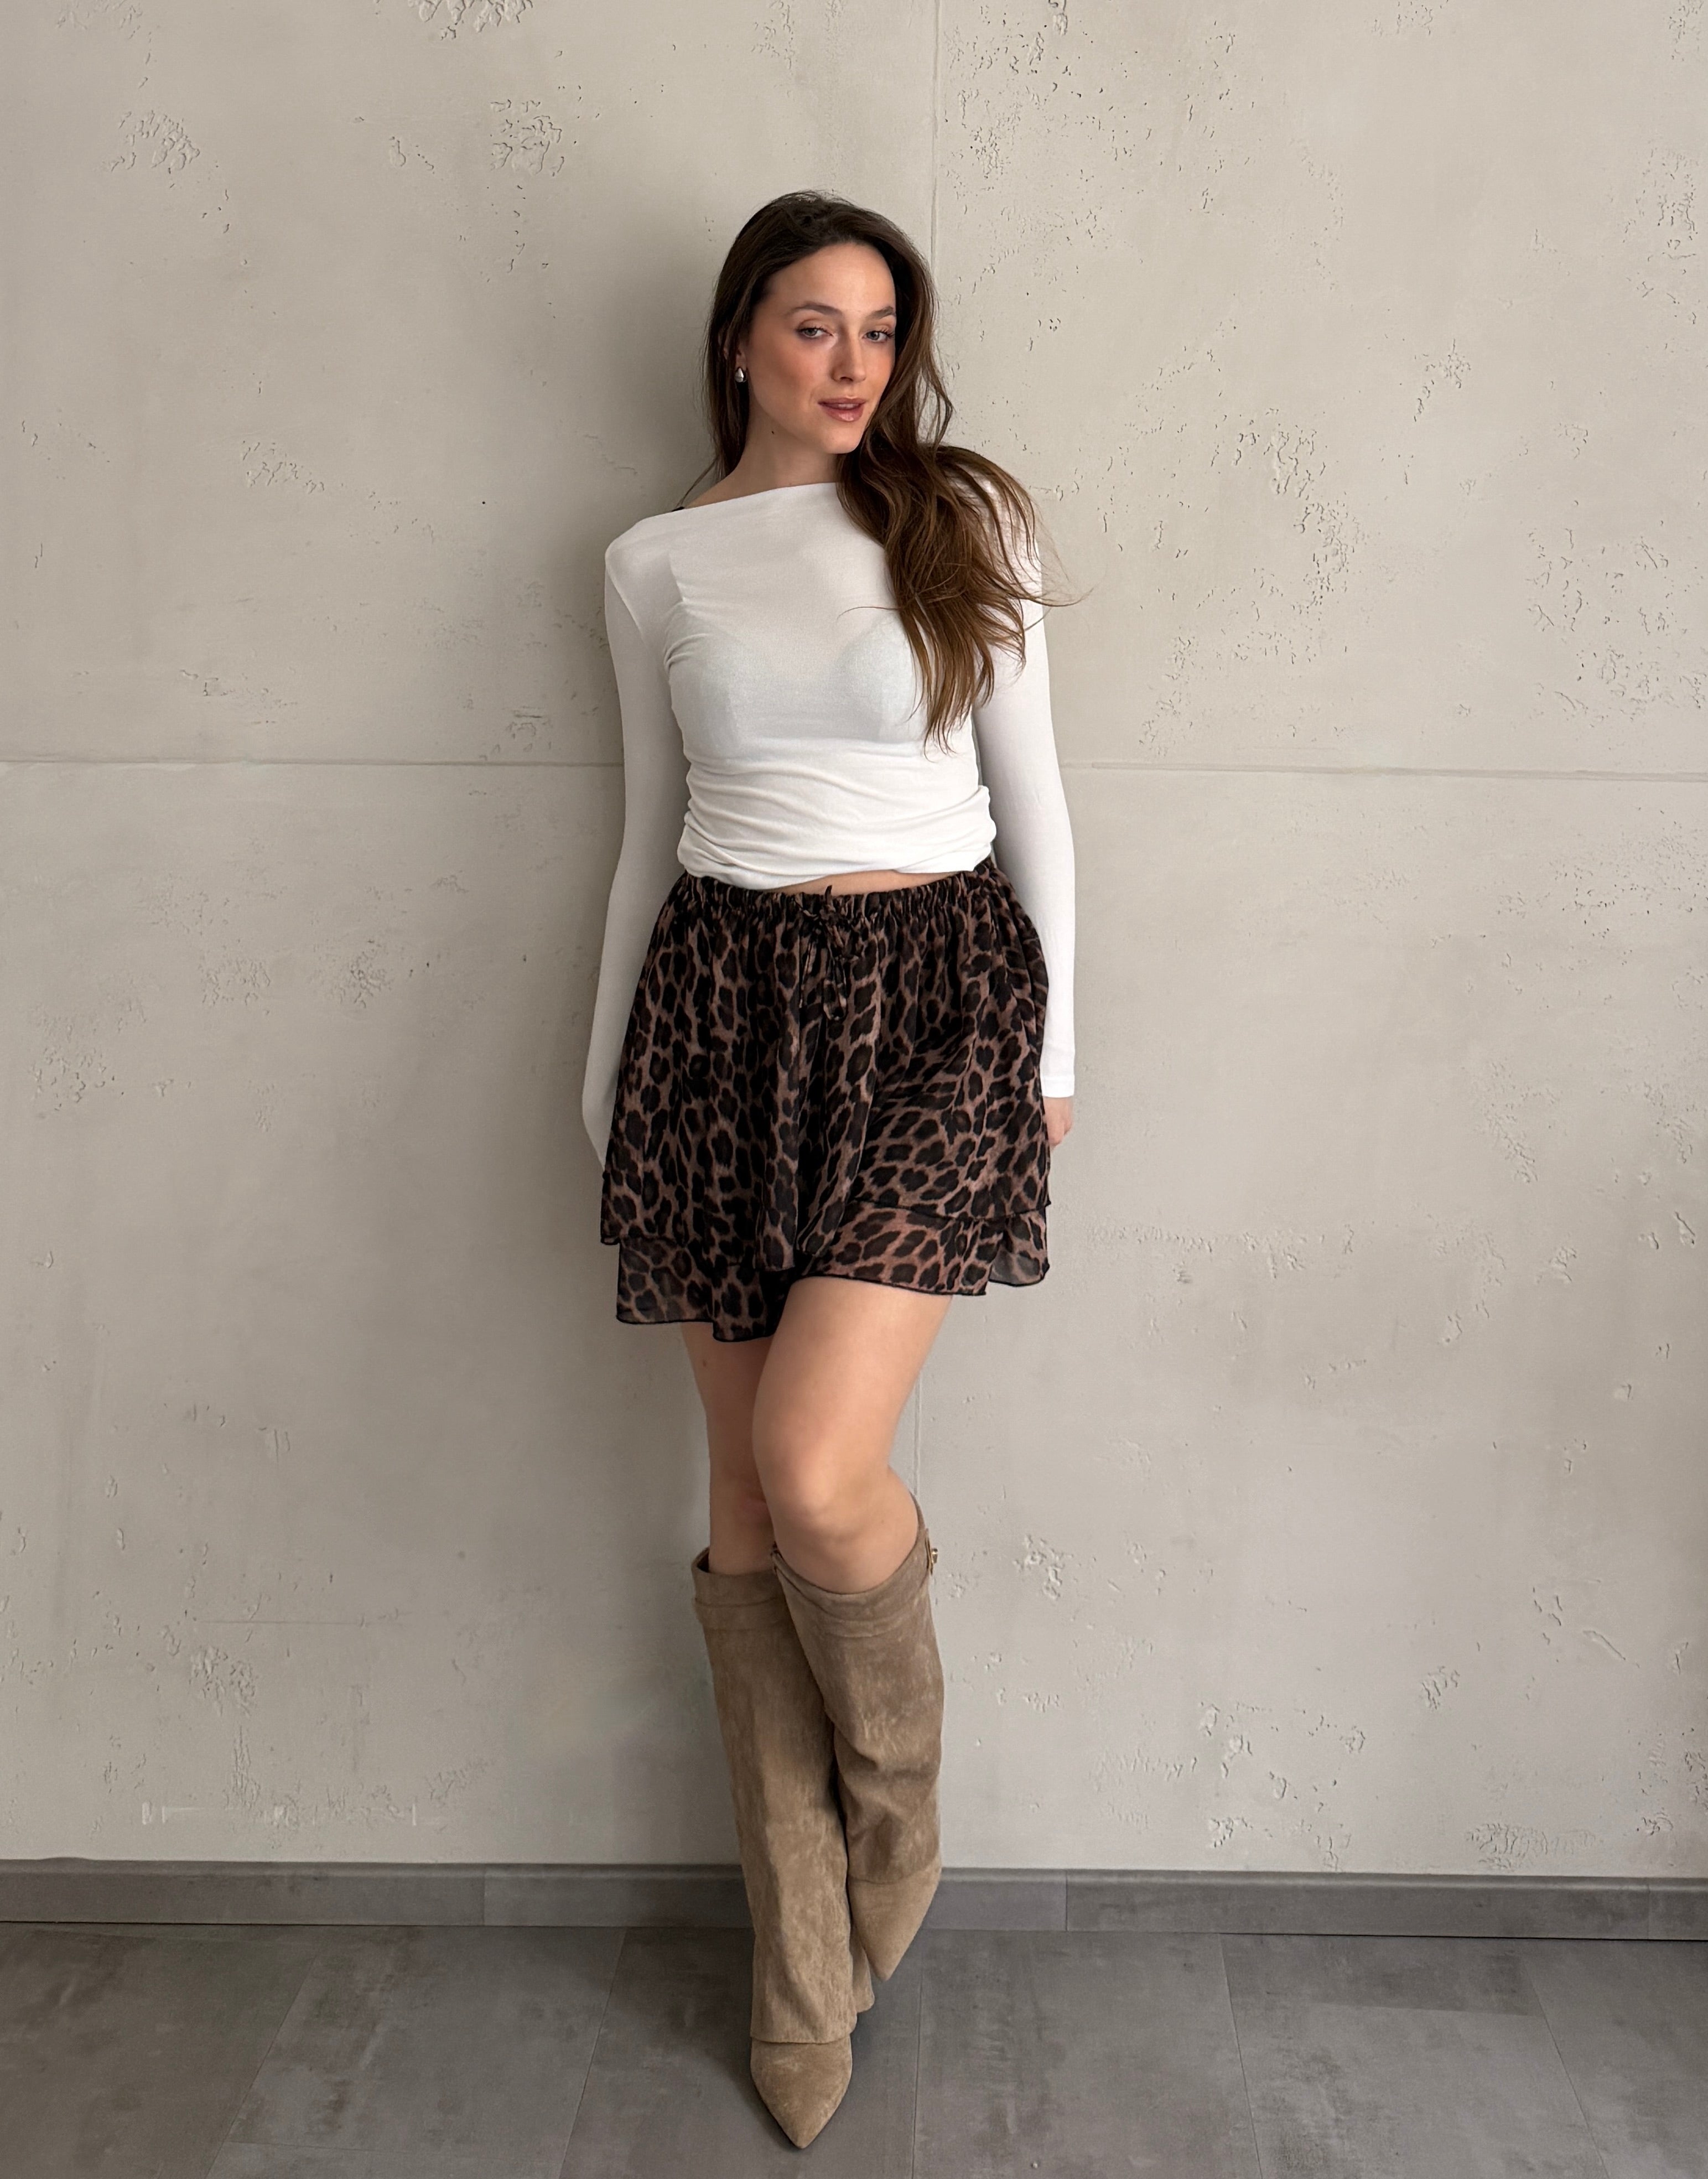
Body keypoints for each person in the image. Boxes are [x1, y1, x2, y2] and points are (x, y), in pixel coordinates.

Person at [580, 189, 1076, 2147]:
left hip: (940, 993)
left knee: (813, 1464)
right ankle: (801, 1971)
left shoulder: (966, 519)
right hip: (720, 1008)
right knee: (738, 1503)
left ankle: (897, 1821)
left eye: (881, 329)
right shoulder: (652, 562)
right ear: (741, 339)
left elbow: (1038, 801)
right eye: (814, 325)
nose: (855, 363)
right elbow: (650, 832)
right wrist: (606, 1082)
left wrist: (1055, 1052)